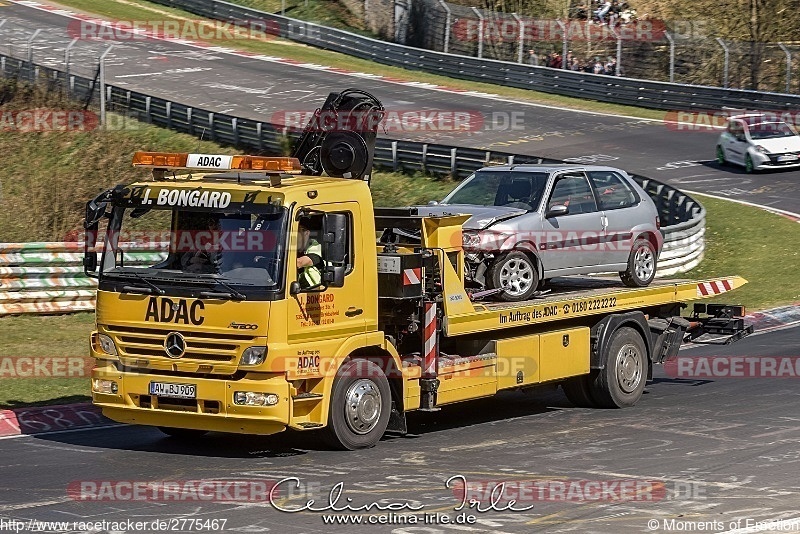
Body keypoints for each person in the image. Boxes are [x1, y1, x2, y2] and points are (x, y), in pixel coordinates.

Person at [296, 218, 323, 288]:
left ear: (306, 233)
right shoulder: (296, 251)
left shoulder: (315, 247)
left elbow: (299, 263)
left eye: (296, 230)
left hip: (316, 292)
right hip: (301, 291)